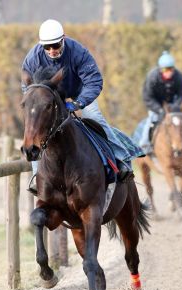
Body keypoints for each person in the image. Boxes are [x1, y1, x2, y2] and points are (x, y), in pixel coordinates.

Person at [21, 19, 138, 194]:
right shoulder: (32, 58)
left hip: (78, 95)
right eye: (47, 47)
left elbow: (94, 81)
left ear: (64, 39)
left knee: (94, 117)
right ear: (41, 45)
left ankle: (120, 160)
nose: (52, 50)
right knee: (37, 129)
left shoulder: (78, 52)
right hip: (50, 100)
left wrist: (78, 102)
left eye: (55, 45)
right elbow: (28, 88)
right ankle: (37, 177)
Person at [138, 51, 182, 154]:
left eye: (171, 69)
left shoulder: (179, 77)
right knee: (151, 121)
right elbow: (147, 97)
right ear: (160, 70)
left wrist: (177, 107)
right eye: (166, 70)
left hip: (173, 106)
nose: (168, 72)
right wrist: (159, 109)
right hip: (156, 106)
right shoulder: (152, 77)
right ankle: (144, 146)